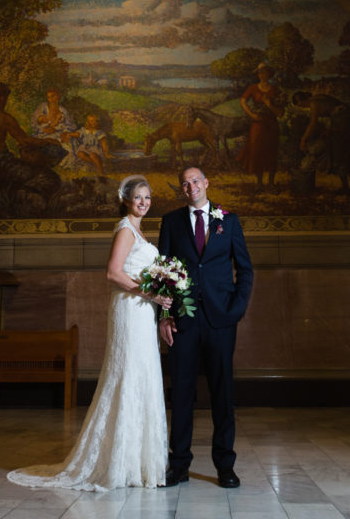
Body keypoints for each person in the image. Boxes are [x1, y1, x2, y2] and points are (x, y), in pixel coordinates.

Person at [7, 174, 172, 491]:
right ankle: (118, 463)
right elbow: (113, 272)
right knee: (127, 375)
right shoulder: (125, 229)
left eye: (148, 197)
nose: (144, 202)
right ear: (125, 200)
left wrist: (158, 295)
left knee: (143, 375)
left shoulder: (139, 230)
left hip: (142, 313)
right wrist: (151, 294)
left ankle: (137, 462)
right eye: (138, 197)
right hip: (129, 309)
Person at [158, 166, 253, 489]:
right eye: (184, 183)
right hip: (183, 321)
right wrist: (164, 316)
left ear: (206, 183)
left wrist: (236, 308)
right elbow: (163, 272)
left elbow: (245, 269)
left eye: (195, 180)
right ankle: (179, 465)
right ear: (181, 189)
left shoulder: (230, 220)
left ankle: (225, 465)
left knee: (222, 394)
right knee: (182, 395)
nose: (191, 186)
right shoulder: (171, 222)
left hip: (221, 321)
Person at [237, 62, 285, 192]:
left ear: (269, 74)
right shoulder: (253, 88)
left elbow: (280, 113)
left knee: (271, 152)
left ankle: (271, 183)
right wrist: (251, 114)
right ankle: (259, 184)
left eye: (265, 72)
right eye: (260, 73)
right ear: (258, 75)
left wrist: (269, 105)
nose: (263, 75)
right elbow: (242, 101)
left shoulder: (275, 90)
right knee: (257, 152)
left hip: (271, 126)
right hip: (257, 125)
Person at [292, 91, 350, 194]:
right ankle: (345, 185)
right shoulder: (317, 98)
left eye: (300, 105)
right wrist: (330, 129)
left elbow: (313, 124)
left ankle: (345, 187)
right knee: (340, 151)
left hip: (343, 123)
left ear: (302, 101)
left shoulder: (313, 104)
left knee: (339, 152)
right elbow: (335, 110)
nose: (302, 107)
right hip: (342, 121)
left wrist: (303, 139)